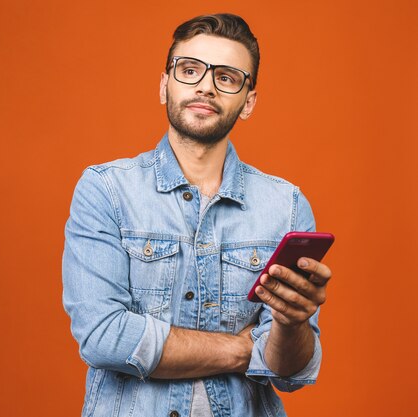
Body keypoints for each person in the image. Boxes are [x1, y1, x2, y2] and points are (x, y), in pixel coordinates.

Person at [62, 13, 332, 417]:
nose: (205, 85)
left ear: (248, 102)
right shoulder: (106, 190)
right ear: (164, 84)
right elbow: (104, 337)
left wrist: (292, 323)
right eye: (189, 70)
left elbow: (289, 374)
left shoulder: (287, 206)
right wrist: (245, 349)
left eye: (226, 77)